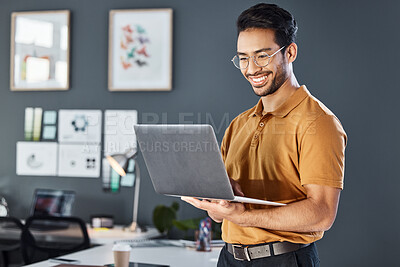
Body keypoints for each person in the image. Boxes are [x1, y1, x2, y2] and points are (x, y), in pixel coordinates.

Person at [182, 3, 347, 266]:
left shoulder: (318, 122)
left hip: (283, 260)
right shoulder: (238, 125)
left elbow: (322, 214)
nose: (251, 69)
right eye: (244, 58)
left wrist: (242, 215)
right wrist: (215, 201)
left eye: (262, 55)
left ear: (290, 52)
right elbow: (221, 216)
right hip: (229, 258)